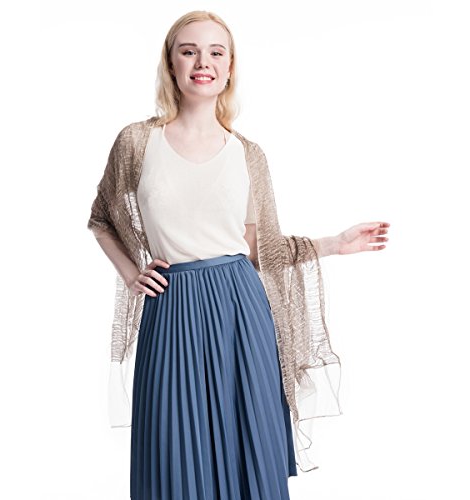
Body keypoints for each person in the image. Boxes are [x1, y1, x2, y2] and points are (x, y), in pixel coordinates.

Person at [87, 10, 390, 500]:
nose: (202, 62)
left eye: (215, 52)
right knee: (172, 452)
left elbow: (257, 249)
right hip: (172, 307)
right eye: (188, 51)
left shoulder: (248, 154)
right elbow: (102, 219)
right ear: (170, 63)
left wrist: (334, 244)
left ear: (229, 68)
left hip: (241, 310)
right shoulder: (137, 142)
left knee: (248, 447)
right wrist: (131, 274)